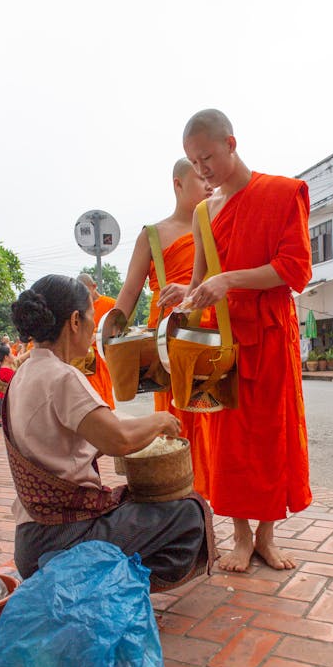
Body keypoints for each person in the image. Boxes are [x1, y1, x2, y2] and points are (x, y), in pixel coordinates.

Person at [6, 274, 214, 587]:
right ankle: (110, 587)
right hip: (59, 539)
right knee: (188, 512)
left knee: (134, 504)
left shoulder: (24, 375)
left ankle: (99, 581)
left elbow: (99, 431)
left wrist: (139, 426)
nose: (94, 328)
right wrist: (160, 420)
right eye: (92, 317)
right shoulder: (62, 377)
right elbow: (118, 440)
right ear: (75, 321)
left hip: (31, 540)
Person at [172, 108, 312, 572]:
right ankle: (239, 534)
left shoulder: (280, 193)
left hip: (269, 337)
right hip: (220, 342)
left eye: (207, 157)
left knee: (270, 437)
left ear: (231, 143)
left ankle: (267, 536)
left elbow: (294, 269)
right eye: (194, 162)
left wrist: (230, 280)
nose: (202, 170)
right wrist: (183, 298)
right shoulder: (203, 212)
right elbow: (199, 285)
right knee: (226, 443)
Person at [115, 158, 213, 498]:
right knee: (176, 425)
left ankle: (212, 501)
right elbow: (129, 291)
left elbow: (231, 279)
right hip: (170, 347)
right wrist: (108, 333)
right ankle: (183, 502)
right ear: (178, 184)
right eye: (202, 179)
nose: (210, 185)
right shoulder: (153, 236)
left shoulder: (220, 225)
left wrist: (192, 290)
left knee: (216, 427)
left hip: (213, 344)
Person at [76, 273, 116, 409]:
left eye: (86, 291)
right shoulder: (80, 309)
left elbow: (119, 329)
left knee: (104, 398)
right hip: (86, 360)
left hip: (105, 357)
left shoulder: (110, 304)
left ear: (94, 286)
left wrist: (98, 334)